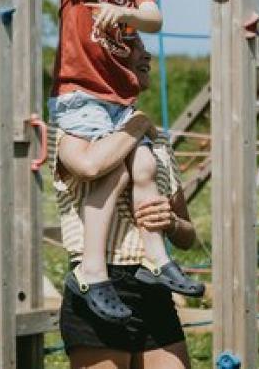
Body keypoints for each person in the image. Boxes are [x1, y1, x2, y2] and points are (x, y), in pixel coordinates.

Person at [47, 0, 202, 324]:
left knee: (142, 163)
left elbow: (154, 18)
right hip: (82, 98)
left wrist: (130, 14)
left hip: (117, 104)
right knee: (113, 168)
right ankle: (92, 268)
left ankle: (156, 257)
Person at [53, 36, 196, 369]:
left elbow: (189, 237)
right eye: (131, 45)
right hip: (99, 284)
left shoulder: (157, 141)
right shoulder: (72, 129)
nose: (145, 53)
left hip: (152, 285)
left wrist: (171, 223)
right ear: (99, 61)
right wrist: (139, 122)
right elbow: (92, 166)